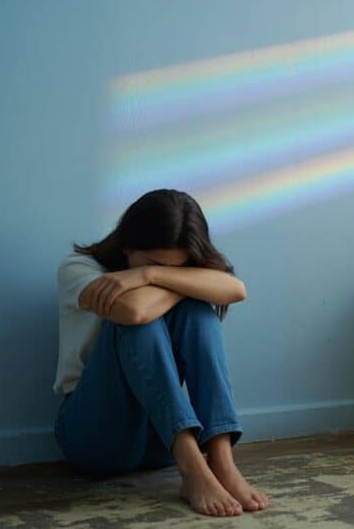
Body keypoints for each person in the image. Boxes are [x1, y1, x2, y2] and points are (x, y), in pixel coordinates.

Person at [52, 189, 267, 517]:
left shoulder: (153, 271)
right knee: (139, 320)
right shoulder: (78, 268)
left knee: (198, 314)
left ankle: (221, 461)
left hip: (159, 438)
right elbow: (134, 313)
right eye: (152, 261)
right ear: (127, 244)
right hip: (95, 439)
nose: (165, 271)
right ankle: (193, 467)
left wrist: (148, 274)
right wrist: (184, 283)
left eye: (178, 268)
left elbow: (237, 290)